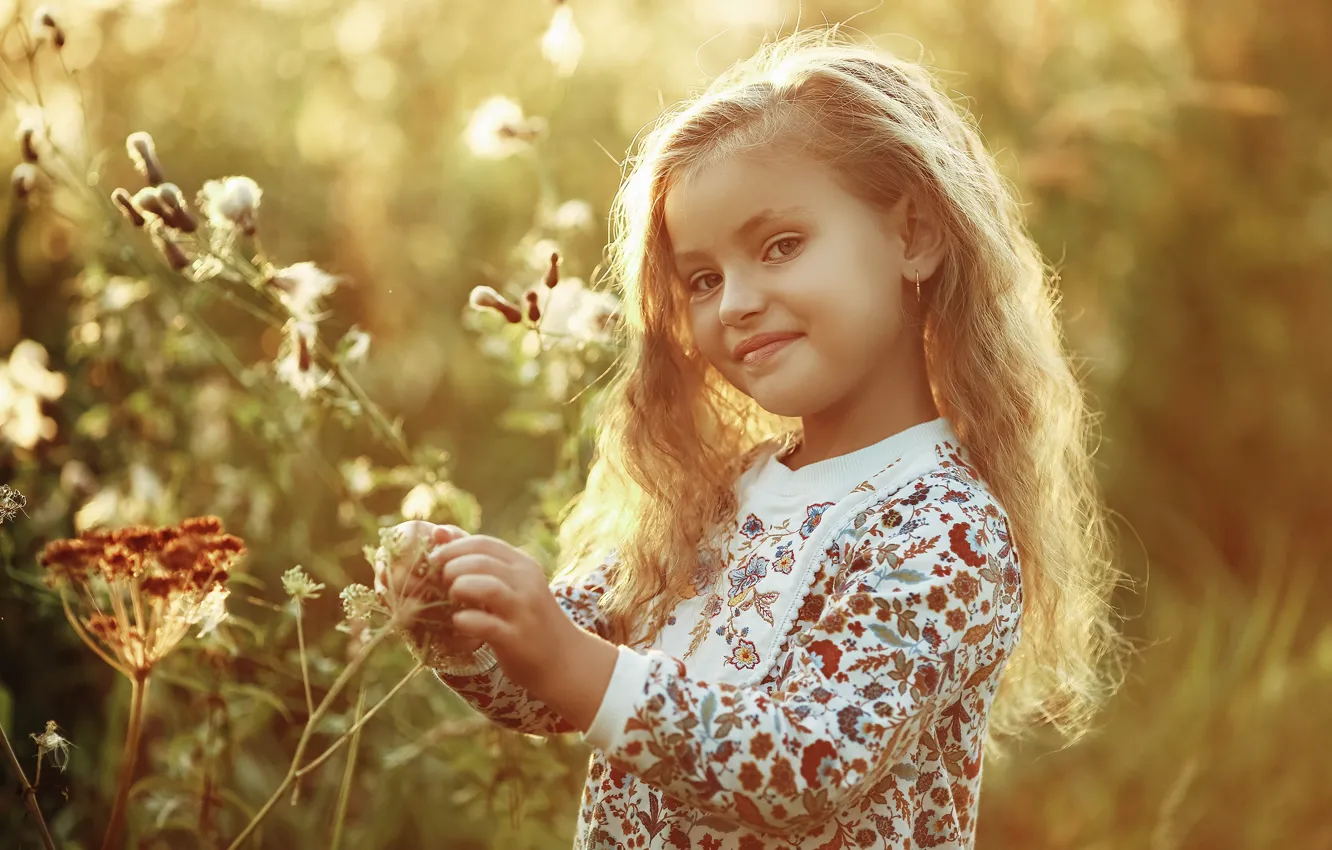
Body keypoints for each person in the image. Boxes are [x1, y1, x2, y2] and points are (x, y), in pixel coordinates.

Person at [373, 26, 1128, 849]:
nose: (734, 302)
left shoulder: (943, 530)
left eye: (780, 246)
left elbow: (806, 766)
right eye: (703, 278)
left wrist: (562, 656)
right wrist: (465, 620)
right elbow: (556, 682)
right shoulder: (720, 497)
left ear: (913, 236)